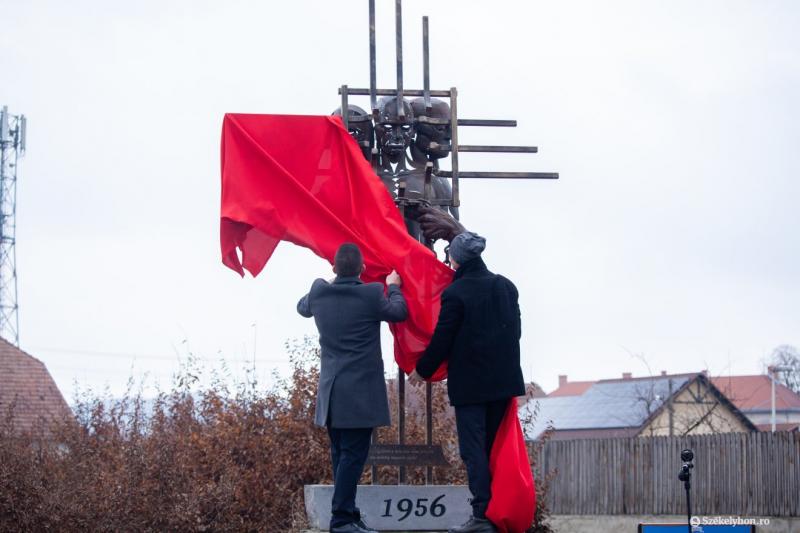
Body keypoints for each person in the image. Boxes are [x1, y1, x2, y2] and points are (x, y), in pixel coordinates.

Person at [409, 232, 525, 533]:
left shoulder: (456, 293)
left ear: (457, 259)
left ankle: (482, 516)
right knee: (494, 449)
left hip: (472, 386)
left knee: (473, 452)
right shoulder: (506, 286)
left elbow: (443, 338)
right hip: (503, 382)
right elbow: (517, 332)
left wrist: (422, 370)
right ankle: (497, 512)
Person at [297, 243, 407, 533]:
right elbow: (399, 312)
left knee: (341, 455)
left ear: (334, 268)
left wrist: (331, 281)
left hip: (332, 394)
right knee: (353, 456)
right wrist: (393, 286)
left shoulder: (319, 291)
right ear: (362, 269)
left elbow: (302, 307)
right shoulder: (371, 293)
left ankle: (350, 513)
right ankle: (342, 518)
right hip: (359, 394)